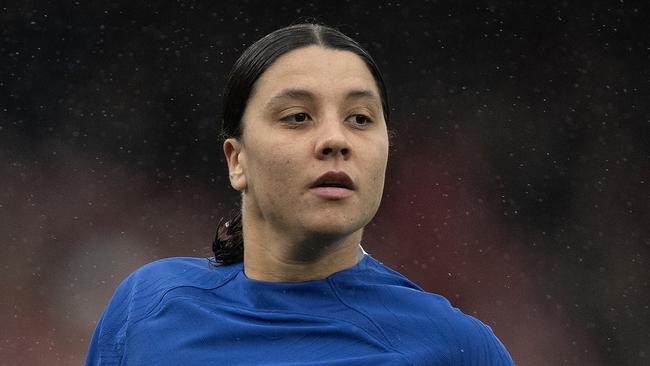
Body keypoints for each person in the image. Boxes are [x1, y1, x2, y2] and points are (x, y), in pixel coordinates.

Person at [85, 23, 514, 365]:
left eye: (360, 119)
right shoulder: (147, 309)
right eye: (298, 116)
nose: (335, 139)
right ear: (237, 160)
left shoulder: (452, 347)